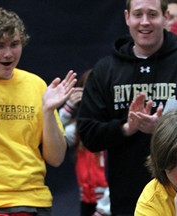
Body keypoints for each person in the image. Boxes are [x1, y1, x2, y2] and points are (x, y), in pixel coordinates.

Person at [77, 0, 177, 214]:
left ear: (166, 17)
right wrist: (126, 128)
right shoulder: (106, 70)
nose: (144, 22)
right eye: (137, 14)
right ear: (126, 17)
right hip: (126, 197)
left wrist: (165, 128)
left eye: (152, 14)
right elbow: (88, 134)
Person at [0, 7, 77, 215]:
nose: (8, 53)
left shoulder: (35, 84)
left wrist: (48, 111)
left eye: (15, 44)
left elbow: (55, 158)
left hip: (33, 200)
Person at [59, 69, 111, 216]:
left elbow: (119, 174)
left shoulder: (115, 128)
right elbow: (51, 136)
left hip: (109, 206)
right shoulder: (79, 129)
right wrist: (69, 107)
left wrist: (103, 210)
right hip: (87, 203)